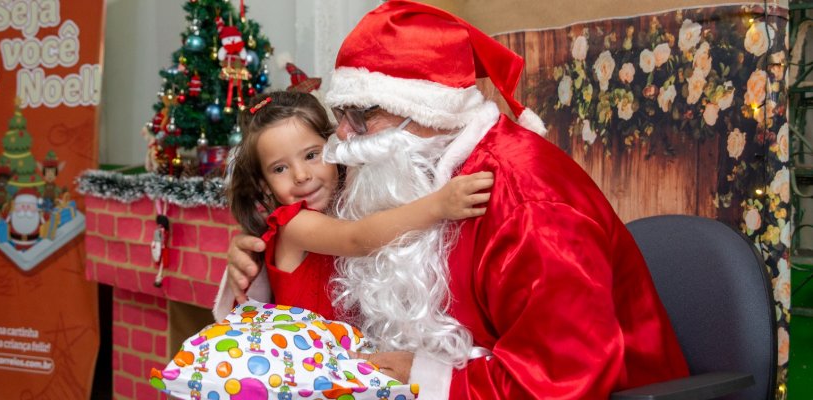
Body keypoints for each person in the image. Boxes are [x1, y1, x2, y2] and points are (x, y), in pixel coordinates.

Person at [223, 1, 690, 399]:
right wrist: (258, 264)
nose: (341, 138)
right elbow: (336, 248)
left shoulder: (528, 203)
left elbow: (563, 379)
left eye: (361, 116)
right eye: (340, 115)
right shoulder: (406, 167)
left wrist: (422, 377)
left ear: (425, 110)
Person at [217, 90, 493, 321]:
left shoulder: (343, 200)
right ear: (264, 185)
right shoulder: (293, 224)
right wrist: (438, 205)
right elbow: (356, 238)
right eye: (279, 169)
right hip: (308, 366)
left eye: (312, 155)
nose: (301, 175)